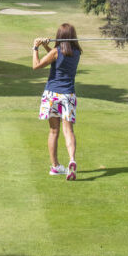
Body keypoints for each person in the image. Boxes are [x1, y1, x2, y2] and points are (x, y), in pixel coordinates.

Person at [32, 23, 82, 181]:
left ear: (59, 36)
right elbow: (57, 58)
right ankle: (72, 160)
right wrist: (48, 47)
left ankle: (55, 166)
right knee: (69, 131)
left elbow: (36, 66)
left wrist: (35, 48)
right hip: (68, 95)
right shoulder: (77, 52)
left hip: (52, 95)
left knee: (54, 131)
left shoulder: (56, 51)